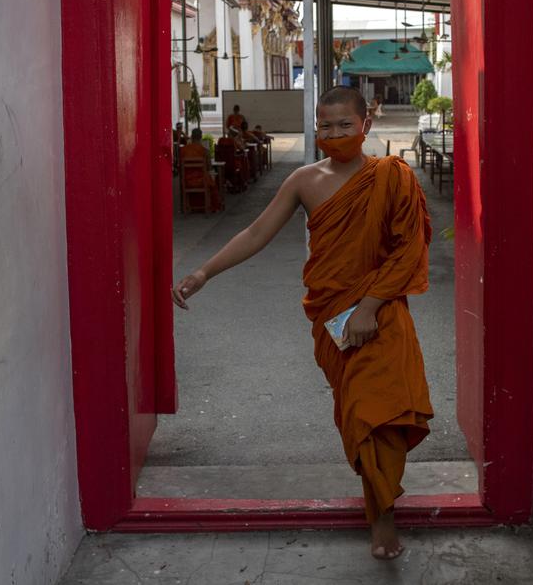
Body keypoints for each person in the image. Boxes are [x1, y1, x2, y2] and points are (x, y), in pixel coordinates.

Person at [171, 86, 433, 560]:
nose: (334, 134)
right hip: (334, 315)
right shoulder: (304, 181)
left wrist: (371, 307)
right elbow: (256, 232)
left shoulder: (393, 177)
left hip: (383, 312)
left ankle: (383, 518)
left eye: (344, 125)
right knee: (357, 414)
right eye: (325, 126)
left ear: (366, 126)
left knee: (381, 414)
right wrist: (204, 271)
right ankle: (379, 505)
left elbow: (409, 248)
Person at [180, 128, 221, 212]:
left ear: (191, 137)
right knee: (213, 179)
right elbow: (209, 167)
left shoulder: (183, 150)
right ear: (201, 137)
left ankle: (189, 206)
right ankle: (212, 206)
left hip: (187, 181)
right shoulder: (204, 151)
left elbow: (180, 167)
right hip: (202, 181)